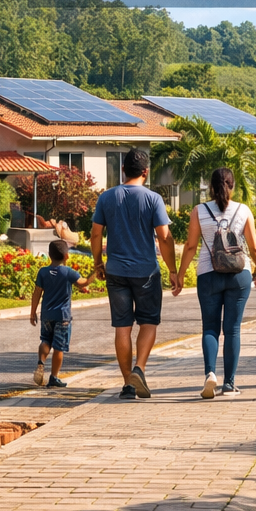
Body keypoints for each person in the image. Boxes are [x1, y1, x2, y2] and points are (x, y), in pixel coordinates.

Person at [90, 148, 176, 400]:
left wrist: (98, 263)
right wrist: (172, 270)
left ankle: (128, 384)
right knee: (149, 322)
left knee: (122, 327)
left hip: (116, 271)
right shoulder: (153, 199)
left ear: (123, 170)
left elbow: (96, 234)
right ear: (146, 173)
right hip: (146, 272)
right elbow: (164, 236)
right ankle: (140, 368)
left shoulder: (106, 197)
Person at [176, 168, 256, 399]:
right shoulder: (243, 210)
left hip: (208, 274)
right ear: (232, 186)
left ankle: (209, 374)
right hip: (239, 274)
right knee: (233, 329)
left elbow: (190, 246)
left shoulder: (199, 211)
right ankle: (229, 384)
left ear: (211, 187)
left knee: (210, 328)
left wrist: (180, 274)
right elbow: (254, 246)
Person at [30, 240, 90, 388]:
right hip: (62, 316)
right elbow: (82, 283)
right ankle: (54, 377)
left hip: (46, 315)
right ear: (66, 256)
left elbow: (36, 293)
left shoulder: (43, 272)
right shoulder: (68, 272)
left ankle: (40, 363)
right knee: (59, 347)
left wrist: (33, 312)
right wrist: (95, 274)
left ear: (49, 255)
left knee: (45, 340)